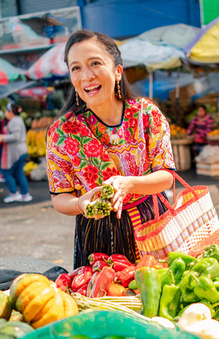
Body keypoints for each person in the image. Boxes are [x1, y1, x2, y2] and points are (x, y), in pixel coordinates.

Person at [47, 29, 175, 268]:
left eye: (94, 63)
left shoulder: (146, 114)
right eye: (76, 68)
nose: (86, 76)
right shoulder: (62, 132)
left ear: (117, 71)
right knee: (107, 298)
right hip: (97, 235)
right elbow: (59, 197)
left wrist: (130, 184)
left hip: (150, 225)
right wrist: (80, 204)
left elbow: (166, 176)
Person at [0, 102, 31, 204]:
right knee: (19, 172)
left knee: (7, 172)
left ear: (10, 112)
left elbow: (15, 136)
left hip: (16, 151)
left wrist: (2, 137)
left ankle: (14, 193)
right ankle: (25, 194)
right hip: (21, 150)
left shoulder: (14, 121)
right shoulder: (18, 120)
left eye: (5, 111)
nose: (4, 113)